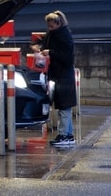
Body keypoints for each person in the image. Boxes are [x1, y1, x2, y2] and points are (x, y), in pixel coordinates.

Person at [31, 10, 77, 146]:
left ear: (58, 23)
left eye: (51, 26)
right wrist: (39, 48)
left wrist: (50, 52)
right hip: (60, 75)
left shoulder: (64, 36)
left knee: (64, 106)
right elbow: (43, 42)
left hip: (63, 75)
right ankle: (67, 135)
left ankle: (64, 135)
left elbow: (68, 58)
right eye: (48, 26)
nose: (49, 29)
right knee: (64, 106)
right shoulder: (55, 34)